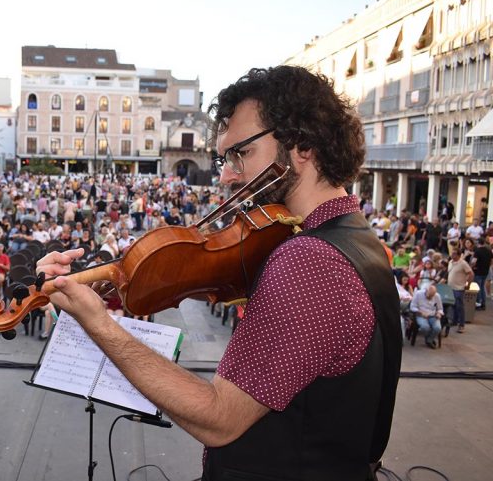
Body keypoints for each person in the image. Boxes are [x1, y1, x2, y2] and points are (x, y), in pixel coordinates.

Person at [36, 66, 401, 481]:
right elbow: (199, 275)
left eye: (239, 153)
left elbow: (219, 417)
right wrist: (98, 284)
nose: (225, 175)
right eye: (223, 157)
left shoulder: (311, 262)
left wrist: (98, 323)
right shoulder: (350, 236)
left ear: (302, 146)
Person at [448, 248, 474, 333]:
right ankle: (454, 321)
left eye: (454, 254)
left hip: (459, 288)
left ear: (459, 255)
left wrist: (468, 284)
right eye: (452, 253)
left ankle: (461, 325)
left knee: (459, 306)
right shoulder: (450, 262)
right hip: (450, 287)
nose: (452, 255)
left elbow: (470, 273)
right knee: (453, 306)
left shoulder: (463, 263)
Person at [472, 239, 491, 309]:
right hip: (485, 271)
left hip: (478, 271)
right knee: (482, 287)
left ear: (478, 243)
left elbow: (474, 262)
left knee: (478, 288)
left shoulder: (478, 251)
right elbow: (491, 261)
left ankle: (478, 303)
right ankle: (483, 303)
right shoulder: (489, 251)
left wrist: (472, 267)